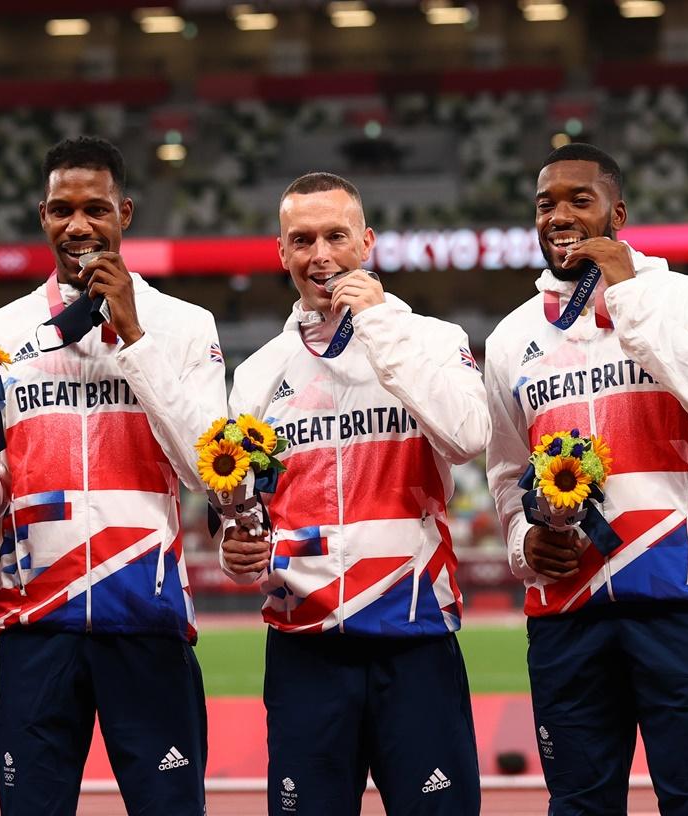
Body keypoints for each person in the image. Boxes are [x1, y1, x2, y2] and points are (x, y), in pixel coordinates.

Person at [0, 136, 225, 816]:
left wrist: (136, 341)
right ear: (42, 216)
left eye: (96, 209)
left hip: (147, 623)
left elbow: (204, 467)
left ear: (124, 213)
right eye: (62, 210)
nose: (79, 226)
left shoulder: (183, 327)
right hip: (37, 629)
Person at [484, 143, 688, 815]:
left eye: (581, 198)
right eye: (546, 203)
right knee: (579, 806)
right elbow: (505, 473)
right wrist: (523, 543)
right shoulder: (510, 338)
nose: (560, 214)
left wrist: (629, 294)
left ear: (618, 212)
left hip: (679, 597)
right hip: (566, 614)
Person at [221, 172, 488, 815]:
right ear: (280, 253)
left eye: (336, 236)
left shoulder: (432, 339)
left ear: (365, 243)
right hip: (305, 647)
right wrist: (236, 546)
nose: (321, 255)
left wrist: (379, 327)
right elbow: (240, 503)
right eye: (302, 239)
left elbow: (468, 435)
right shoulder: (258, 374)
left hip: (414, 635)